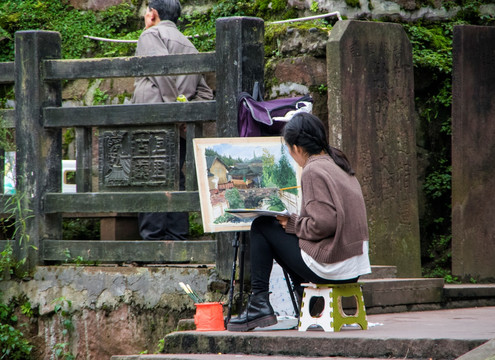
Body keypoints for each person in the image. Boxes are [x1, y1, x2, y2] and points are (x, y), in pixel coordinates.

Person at [227, 112, 371, 332]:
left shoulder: (313, 169)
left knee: (262, 227)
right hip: (352, 266)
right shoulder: (338, 164)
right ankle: (307, 302)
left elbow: (323, 224)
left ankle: (259, 304)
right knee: (287, 236)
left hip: (332, 266)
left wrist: (294, 224)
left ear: (296, 147)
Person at [133, 0, 213, 240]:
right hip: (178, 126)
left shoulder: (150, 36)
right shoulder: (189, 45)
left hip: (154, 119)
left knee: (150, 175)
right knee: (173, 176)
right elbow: (205, 93)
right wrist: (186, 114)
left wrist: (175, 112)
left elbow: (161, 72)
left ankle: (153, 239)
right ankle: (177, 236)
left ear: (153, 13)